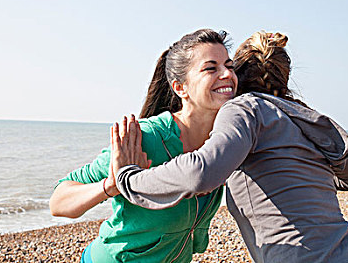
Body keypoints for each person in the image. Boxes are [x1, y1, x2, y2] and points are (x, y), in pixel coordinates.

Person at [113, 31, 348, 263]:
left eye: (229, 66)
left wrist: (130, 178)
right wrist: (308, 177)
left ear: (239, 71)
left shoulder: (243, 108)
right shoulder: (304, 117)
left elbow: (201, 172)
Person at [49, 29, 238, 262]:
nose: (227, 74)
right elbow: (58, 202)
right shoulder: (145, 138)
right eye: (211, 68)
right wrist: (113, 184)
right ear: (180, 87)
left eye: (229, 66)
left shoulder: (225, 141)